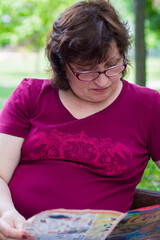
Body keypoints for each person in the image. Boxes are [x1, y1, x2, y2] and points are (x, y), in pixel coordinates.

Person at [0, 0, 160, 239]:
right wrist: (6, 213)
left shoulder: (148, 106)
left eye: (112, 65)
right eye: (87, 70)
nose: (103, 81)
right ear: (62, 65)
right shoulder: (31, 95)